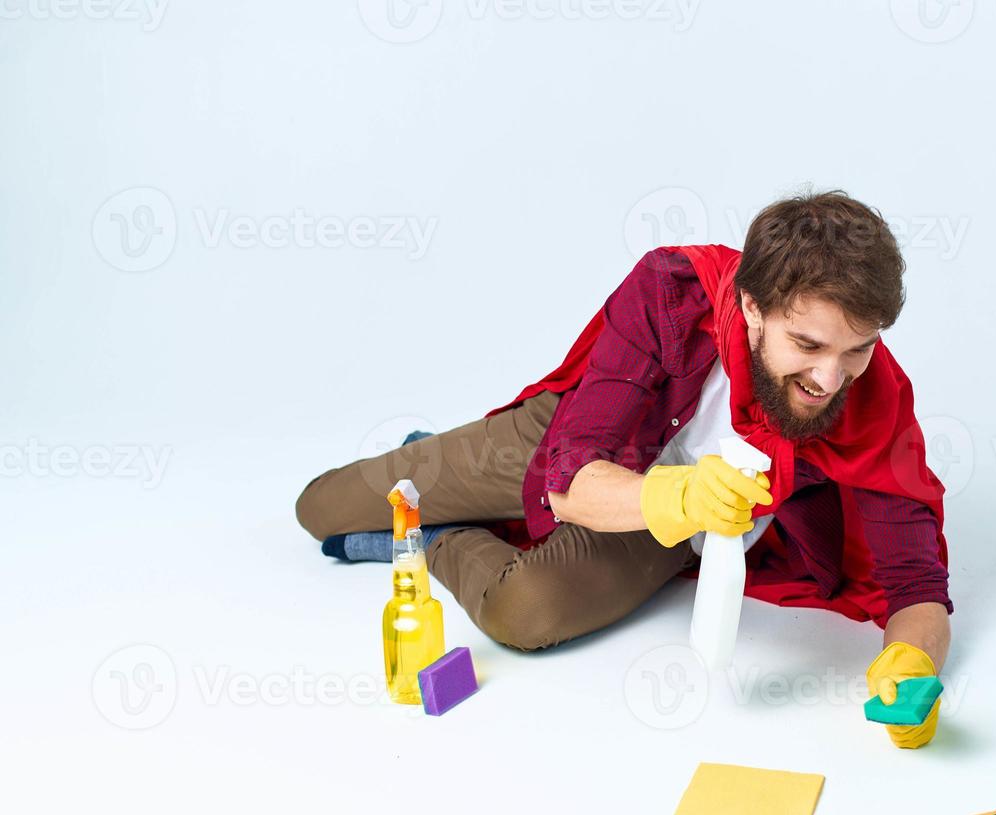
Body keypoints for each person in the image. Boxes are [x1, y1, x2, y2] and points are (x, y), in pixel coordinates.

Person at [296, 190, 952, 747]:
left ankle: (436, 533)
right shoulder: (672, 290)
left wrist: (913, 661)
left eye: (857, 350)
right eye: (806, 345)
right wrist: (683, 494)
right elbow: (571, 473)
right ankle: (440, 463)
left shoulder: (871, 395)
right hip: (576, 443)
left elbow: (916, 580)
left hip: (664, 523)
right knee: (320, 509)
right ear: (753, 306)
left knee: (523, 613)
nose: (829, 378)